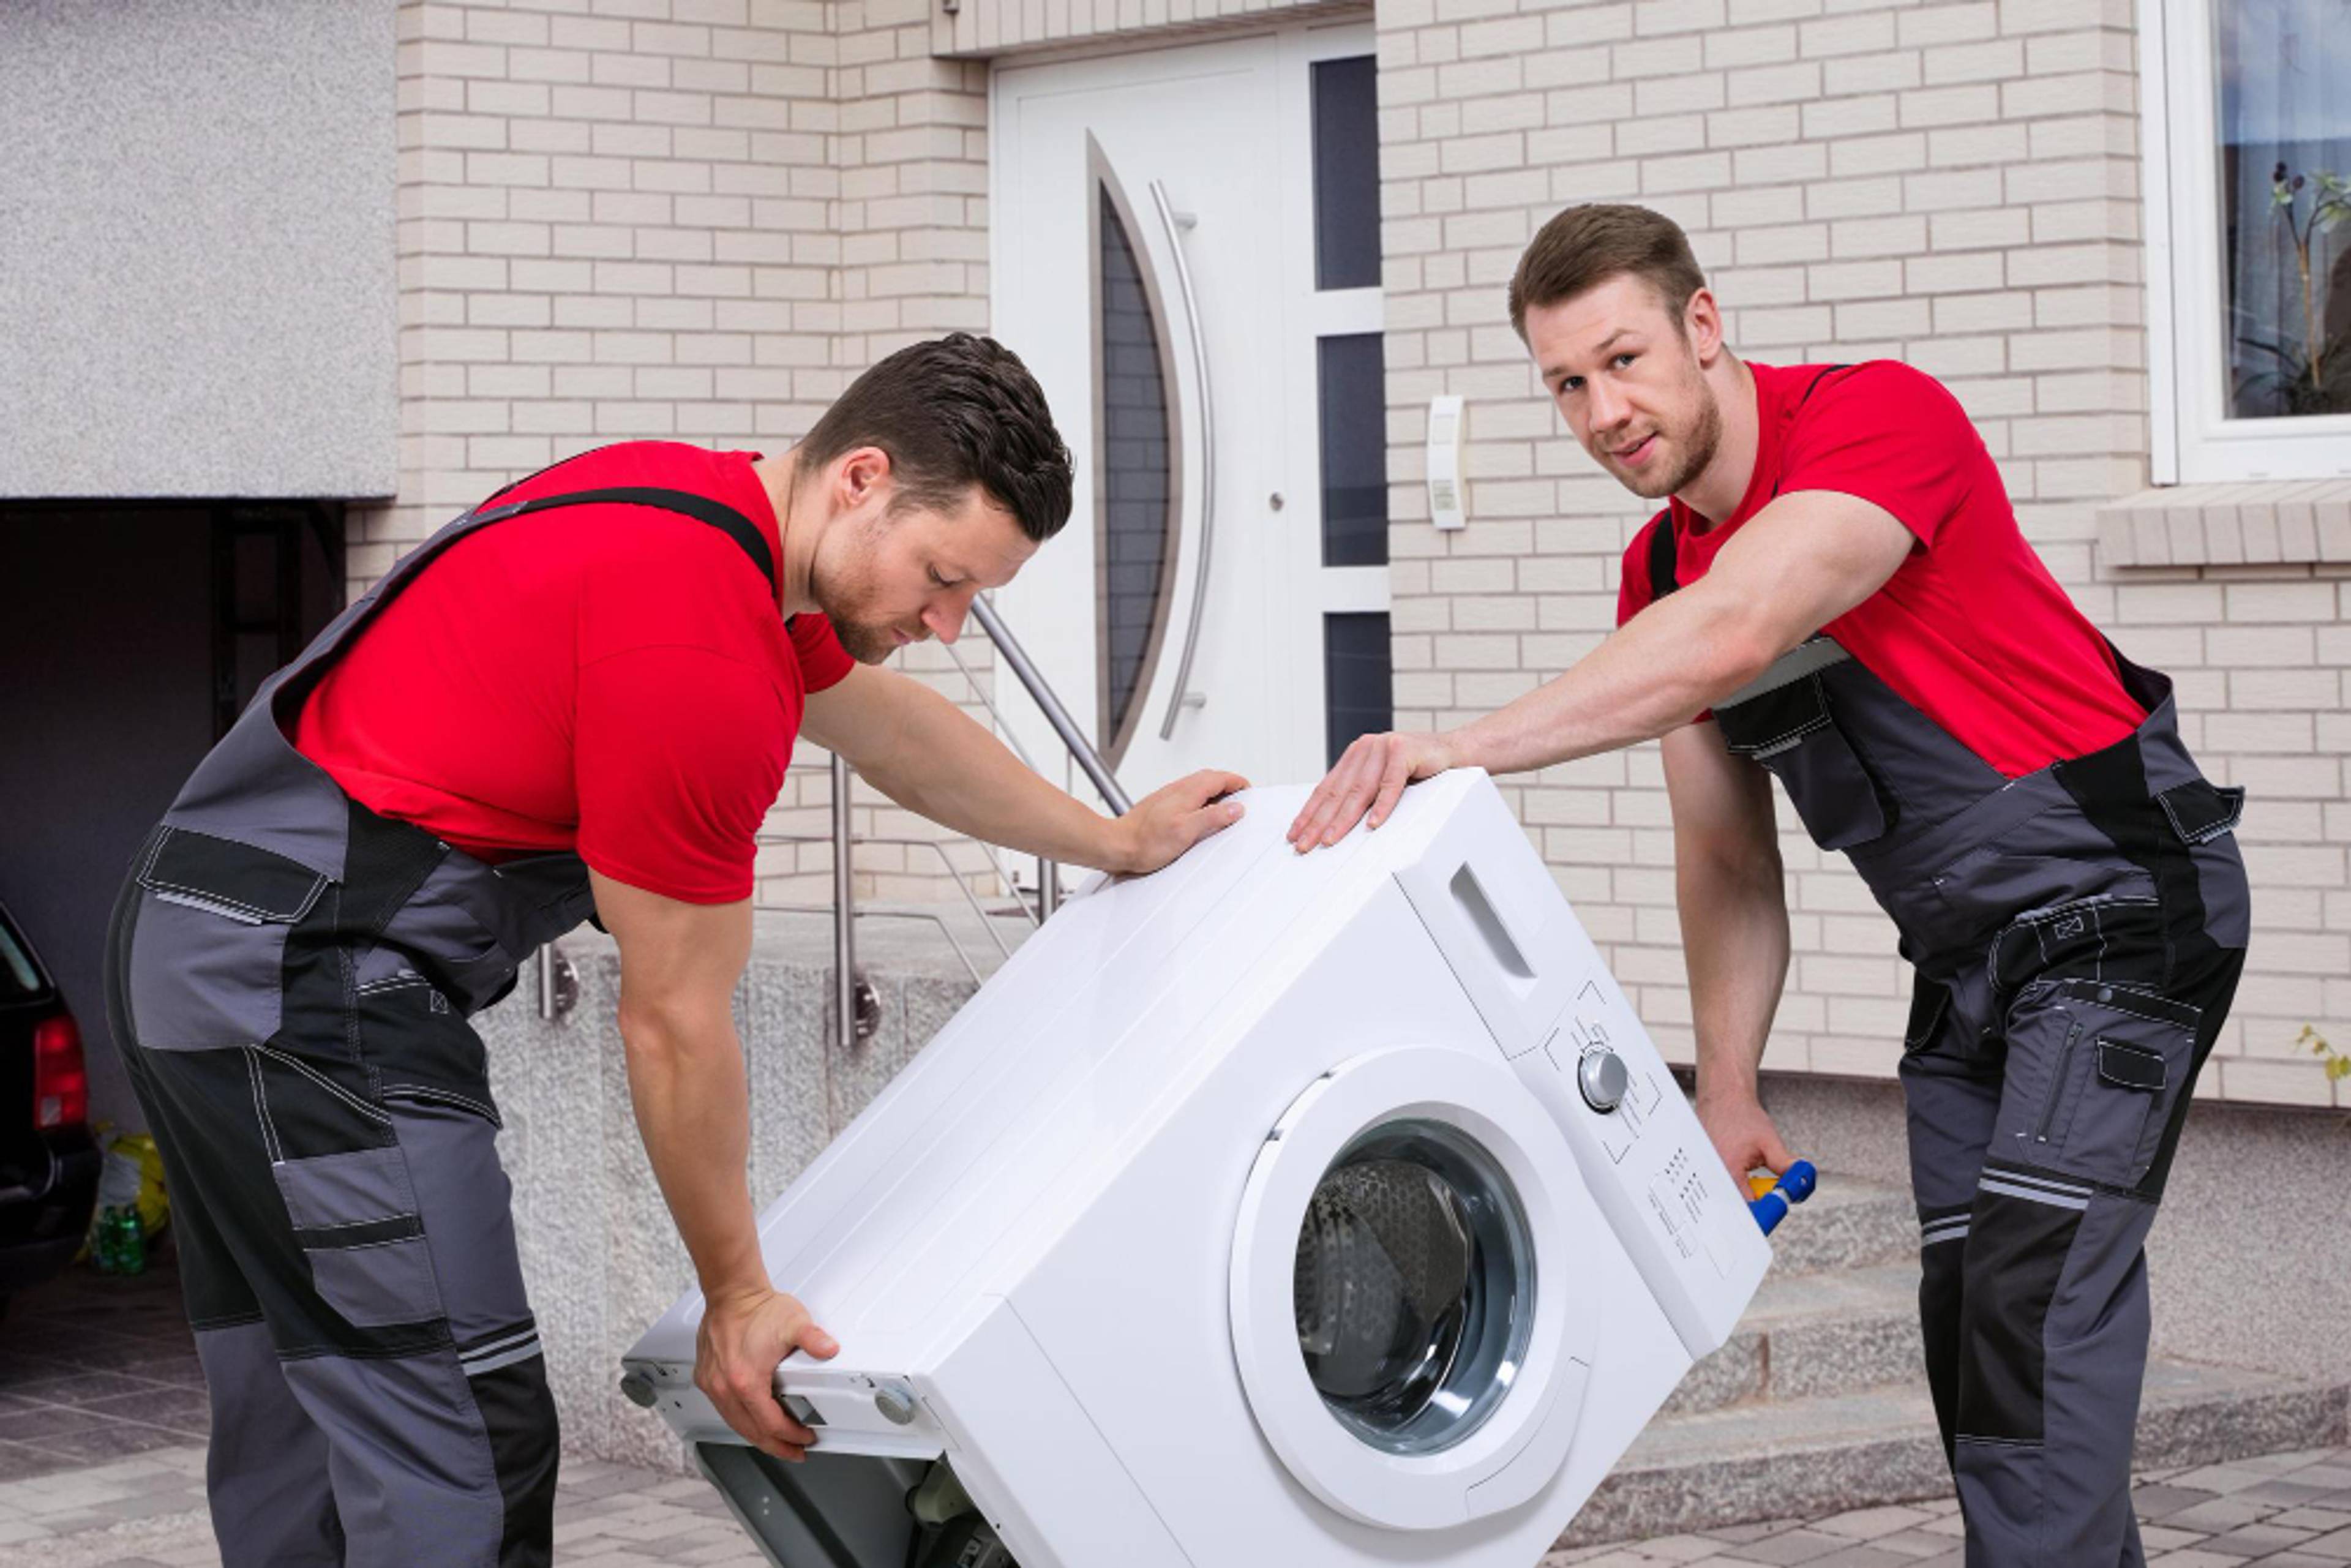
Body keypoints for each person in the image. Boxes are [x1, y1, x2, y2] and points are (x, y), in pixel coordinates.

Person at [103, 332, 1247, 1567]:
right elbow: (674, 1022)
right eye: (944, 575)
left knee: (312, 1400)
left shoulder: (689, 510)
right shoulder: (699, 654)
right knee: (457, 1435)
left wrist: (1110, 840)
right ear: (862, 477)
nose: (952, 622)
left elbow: (893, 736)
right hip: (308, 991)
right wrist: (739, 1297)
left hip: (199, 945)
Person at [1289, 204, 2249, 1566]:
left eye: (1625, 360)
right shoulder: (1659, 574)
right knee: (1978, 1321)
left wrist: (1462, 746)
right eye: (1568, 383)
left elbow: (1744, 626)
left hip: (2122, 913)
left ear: (1703, 324)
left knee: (2034, 1308)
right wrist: (1725, 1082)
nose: (1605, 411)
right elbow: (1727, 855)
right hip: (1973, 967)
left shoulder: (1879, 423)